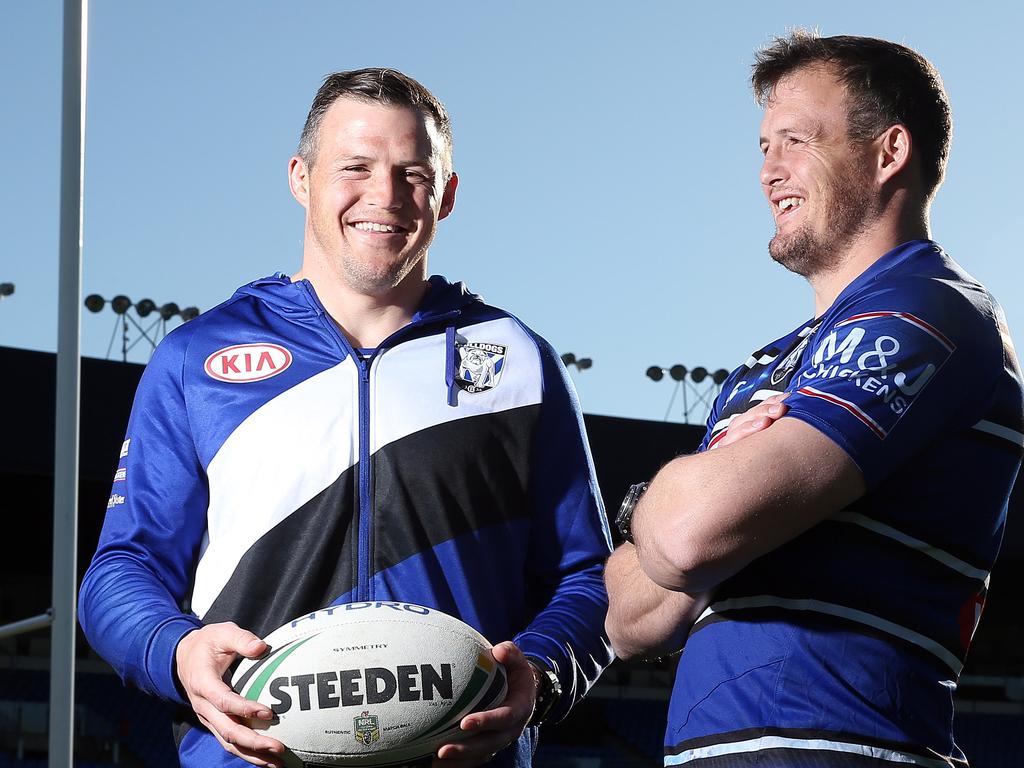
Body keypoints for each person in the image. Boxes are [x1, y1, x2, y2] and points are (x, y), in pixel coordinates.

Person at [79, 68, 613, 768]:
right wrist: (175, 650)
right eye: (355, 167)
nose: (384, 195)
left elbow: (588, 577)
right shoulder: (196, 359)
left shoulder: (516, 361)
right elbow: (125, 568)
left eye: (412, 173)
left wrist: (538, 674)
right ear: (300, 178)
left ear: (446, 195)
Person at [605, 31, 1023, 767]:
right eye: (764, 147)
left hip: (842, 750)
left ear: (888, 152)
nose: (769, 172)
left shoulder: (928, 311)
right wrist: (691, 504)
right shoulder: (767, 366)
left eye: (795, 140)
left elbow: (686, 538)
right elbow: (634, 617)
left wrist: (668, 502)